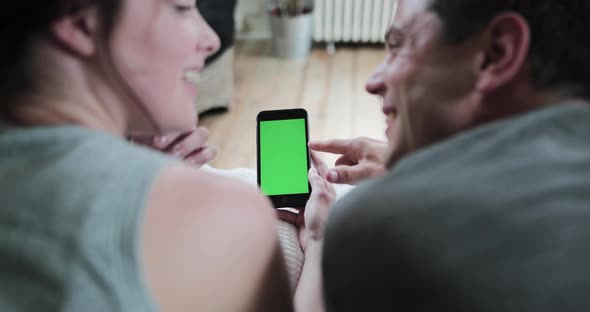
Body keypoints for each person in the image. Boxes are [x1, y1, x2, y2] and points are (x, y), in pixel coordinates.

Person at [0, 1, 334, 310]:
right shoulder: (228, 214)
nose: (212, 40)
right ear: (81, 23)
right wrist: (317, 241)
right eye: (181, 8)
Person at [304, 0, 590, 311]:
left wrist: (319, 238)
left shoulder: (382, 226)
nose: (373, 82)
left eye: (398, 47)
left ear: (496, 54)